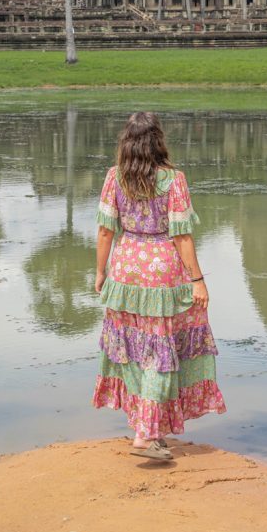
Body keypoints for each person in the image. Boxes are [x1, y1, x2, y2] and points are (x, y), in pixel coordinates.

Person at [92, 112, 226, 460]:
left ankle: (146, 426)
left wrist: (100, 273)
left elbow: (106, 230)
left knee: (135, 349)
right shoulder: (173, 180)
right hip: (162, 273)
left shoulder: (114, 178)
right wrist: (198, 280)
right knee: (158, 352)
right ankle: (146, 434)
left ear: (127, 143)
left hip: (124, 270)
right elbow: (181, 235)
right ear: (158, 141)